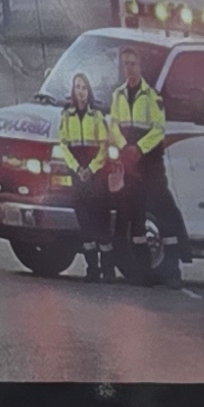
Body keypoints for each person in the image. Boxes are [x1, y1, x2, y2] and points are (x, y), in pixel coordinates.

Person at [111, 60, 174, 264]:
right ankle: (140, 268)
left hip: (150, 164)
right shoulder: (117, 95)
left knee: (164, 214)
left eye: (133, 64)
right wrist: (123, 146)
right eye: (126, 65)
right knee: (132, 218)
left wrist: (138, 148)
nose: (129, 68)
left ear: (140, 67)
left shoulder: (152, 96)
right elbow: (113, 125)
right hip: (128, 165)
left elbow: (158, 130)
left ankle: (172, 270)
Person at [55, 73, 118, 266]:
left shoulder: (97, 115)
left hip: (96, 175)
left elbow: (103, 147)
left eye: (84, 87)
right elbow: (63, 145)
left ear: (88, 91)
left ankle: (107, 268)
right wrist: (76, 168)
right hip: (77, 173)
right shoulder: (66, 116)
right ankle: (92, 268)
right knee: (84, 222)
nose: (80, 91)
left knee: (101, 220)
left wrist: (90, 169)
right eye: (77, 87)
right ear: (73, 91)